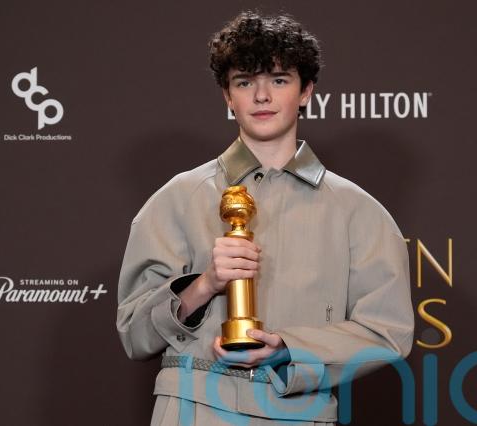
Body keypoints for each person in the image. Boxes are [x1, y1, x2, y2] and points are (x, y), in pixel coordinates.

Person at [117, 11, 414, 425]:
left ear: (306, 90)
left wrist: (288, 348)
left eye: (278, 80)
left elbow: (388, 331)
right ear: (228, 96)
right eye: (244, 82)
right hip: (193, 410)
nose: (261, 96)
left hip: (299, 412)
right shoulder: (178, 198)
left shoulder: (358, 210)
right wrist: (204, 285)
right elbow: (134, 334)